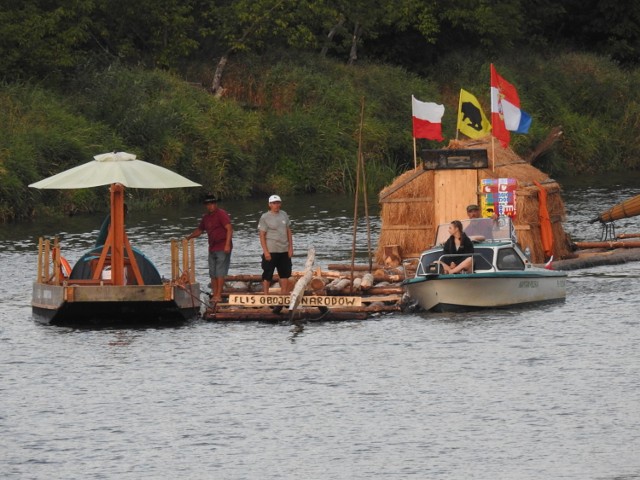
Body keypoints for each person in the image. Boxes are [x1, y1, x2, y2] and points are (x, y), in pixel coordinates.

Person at [186, 194, 233, 304]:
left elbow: (229, 229)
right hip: (212, 247)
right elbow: (199, 230)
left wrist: (227, 245)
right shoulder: (206, 217)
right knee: (212, 272)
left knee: (220, 272)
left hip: (222, 246)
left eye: (212, 203)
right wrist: (189, 237)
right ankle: (215, 294)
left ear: (215, 204)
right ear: (206, 206)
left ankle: (219, 295)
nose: (210, 206)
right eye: (208, 204)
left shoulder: (221, 214)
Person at [259, 194, 293, 295]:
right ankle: (266, 295)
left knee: (285, 274)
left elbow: (288, 231)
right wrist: (266, 251)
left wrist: (290, 247)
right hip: (271, 249)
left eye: (278, 203)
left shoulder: (284, 214)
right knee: (267, 273)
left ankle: (284, 294)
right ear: (269, 204)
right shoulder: (265, 217)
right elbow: (262, 235)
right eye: (274, 203)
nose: (276, 205)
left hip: (284, 249)